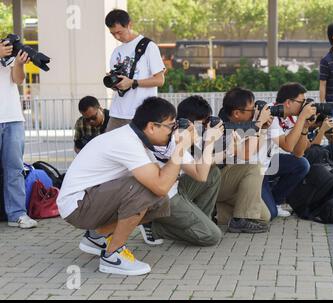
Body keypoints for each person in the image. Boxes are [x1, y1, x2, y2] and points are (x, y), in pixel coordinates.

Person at [57, 97, 198, 276]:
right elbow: (160, 185)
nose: (173, 131)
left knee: (158, 200)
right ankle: (113, 255)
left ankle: (97, 237)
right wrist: (180, 148)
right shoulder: (127, 142)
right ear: (152, 127)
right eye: (170, 126)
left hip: (87, 199)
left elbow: (160, 178)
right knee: (146, 190)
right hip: (78, 205)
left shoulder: (138, 138)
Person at [140, 96, 224, 247]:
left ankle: (201, 223)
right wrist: (210, 141)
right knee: (212, 236)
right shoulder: (175, 137)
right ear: (190, 123)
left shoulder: (180, 135)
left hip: (176, 186)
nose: (206, 127)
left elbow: (203, 168)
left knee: (214, 173)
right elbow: (201, 174)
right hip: (165, 196)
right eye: (203, 123)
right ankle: (154, 228)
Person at [246, 83, 316, 220]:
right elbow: (287, 146)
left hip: (269, 163)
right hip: (255, 167)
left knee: (302, 164)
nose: (304, 106)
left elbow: (298, 153)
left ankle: (276, 200)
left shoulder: (291, 118)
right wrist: (302, 118)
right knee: (270, 214)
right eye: (301, 102)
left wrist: (305, 127)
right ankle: (264, 199)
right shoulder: (271, 113)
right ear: (289, 102)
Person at [216, 88, 274, 233]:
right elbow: (247, 155)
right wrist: (258, 123)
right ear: (236, 113)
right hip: (216, 181)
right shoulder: (222, 126)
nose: (254, 112)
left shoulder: (245, 125)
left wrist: (263, 128)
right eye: (250, 110)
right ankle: (239, 221)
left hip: (231, 183)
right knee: (254, 167)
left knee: (264, 216)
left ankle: (216, 212)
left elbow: (254, 148)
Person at [104, 9, 165, 131]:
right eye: (112, 34)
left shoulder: (148, 46)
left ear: (129, 25)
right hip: (117, 113)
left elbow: (160, 80)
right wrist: (115, 85)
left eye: (119, 32)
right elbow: (119, 81)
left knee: (139, 149)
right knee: (108, 148)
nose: (117, 36)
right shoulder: (117, 51)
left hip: (140, 114)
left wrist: (133, 82)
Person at [0, 39, 37, 229]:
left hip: (13, 118)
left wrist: (19, 63)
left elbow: (18, 80)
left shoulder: (9, 52)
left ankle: (17, 214)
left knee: (14, 169)